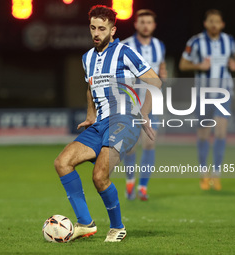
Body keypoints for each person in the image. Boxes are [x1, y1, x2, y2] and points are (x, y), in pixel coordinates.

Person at [54, 5, 161, 242]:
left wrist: (143, 114)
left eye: (102, 28)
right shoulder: (87, 58)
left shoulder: (125, 52)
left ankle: (117, 227)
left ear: (113, 30)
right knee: (62, 162)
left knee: (99, 175)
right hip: (99, 123)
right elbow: (91, 88)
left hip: (125, 121)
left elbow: (155, 81)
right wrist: (91, 115)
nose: (96, 33)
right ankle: (85, 224)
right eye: (93, 27)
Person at [179, 9, 235, 190]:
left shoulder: (229, 41)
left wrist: (234, 62)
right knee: (204, 135)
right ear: (205, 24)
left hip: (224, 93)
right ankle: (204, 173)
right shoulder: (196, 41)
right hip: (203, 95)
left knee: (221, 132)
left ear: (222, 24)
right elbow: (183, 64)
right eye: (211, 21)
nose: (214, 24)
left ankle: (217, 174)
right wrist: (199, 65)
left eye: (217, 21)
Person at [122, 9, 167, 201]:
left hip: (152, 102)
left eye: (149, 22)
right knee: (131, 147)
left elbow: (161, 68)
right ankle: (130, 180)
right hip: (130, 102)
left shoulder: (159, 45)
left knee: (149, 143)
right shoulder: (126, 46)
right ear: (136, 25)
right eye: (142, 22)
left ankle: (143, 187)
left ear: (154, 25)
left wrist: (163, 76)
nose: (145, 25)